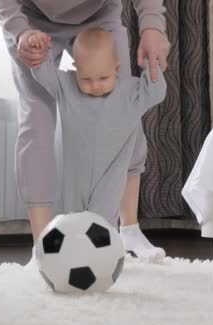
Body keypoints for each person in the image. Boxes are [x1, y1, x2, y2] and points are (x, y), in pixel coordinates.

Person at [0, 0, 170, 260]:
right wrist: (20, 31)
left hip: (99, 17)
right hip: (32, 24)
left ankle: (129, 231)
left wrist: (153, 25)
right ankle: (43, 247)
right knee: (37, 123)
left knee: (124, 113)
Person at [29, 28, 167, 260]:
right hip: (76, 178)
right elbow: (43, 74)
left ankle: (106, 258)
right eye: (86, 79)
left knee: (102, 223)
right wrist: (38, 50)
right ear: (75, 72)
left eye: (103, 78)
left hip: (110, 175)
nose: (95, 85)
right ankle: (64, 258)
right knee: (72, 221)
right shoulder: (67, 86)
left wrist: (151, 64)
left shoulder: (130, 92)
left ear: (116, 68)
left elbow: (156, 92)